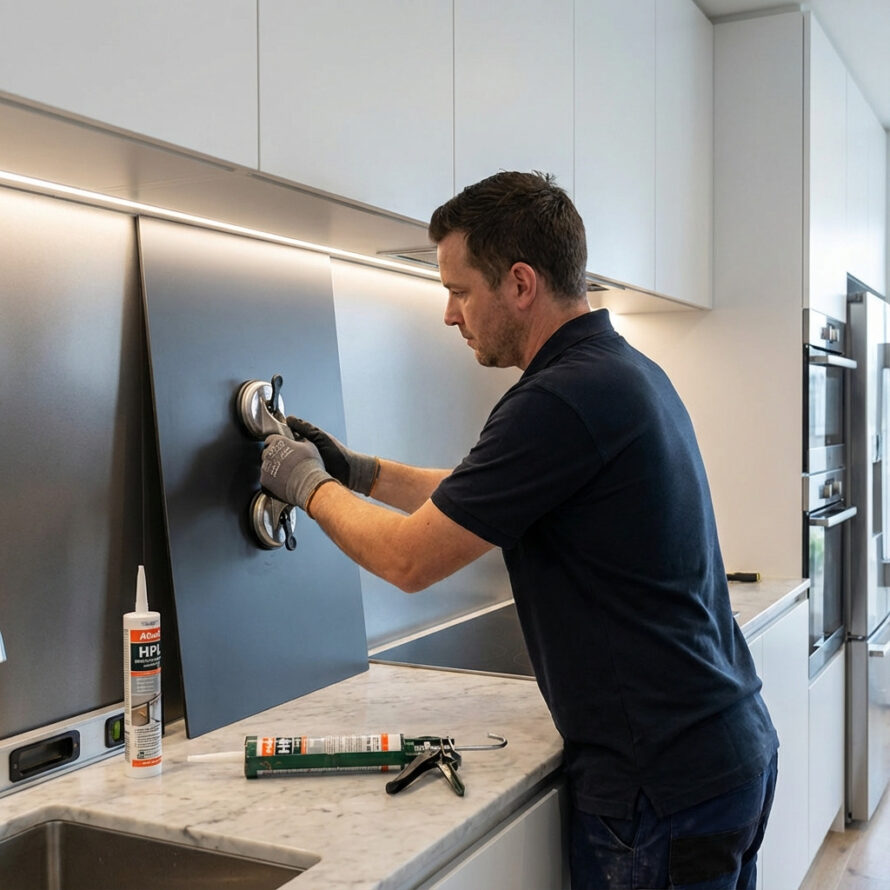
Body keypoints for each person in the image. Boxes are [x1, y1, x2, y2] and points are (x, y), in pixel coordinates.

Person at [258, 171, 779, 890]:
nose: (448, 314)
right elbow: (478, 500)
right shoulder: (617, 371)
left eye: (460, 290)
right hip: (714, 753)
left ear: (522, 284)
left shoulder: (559, 399)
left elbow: (409, 561)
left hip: (658, 784)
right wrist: (359, 471)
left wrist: (304, 485)